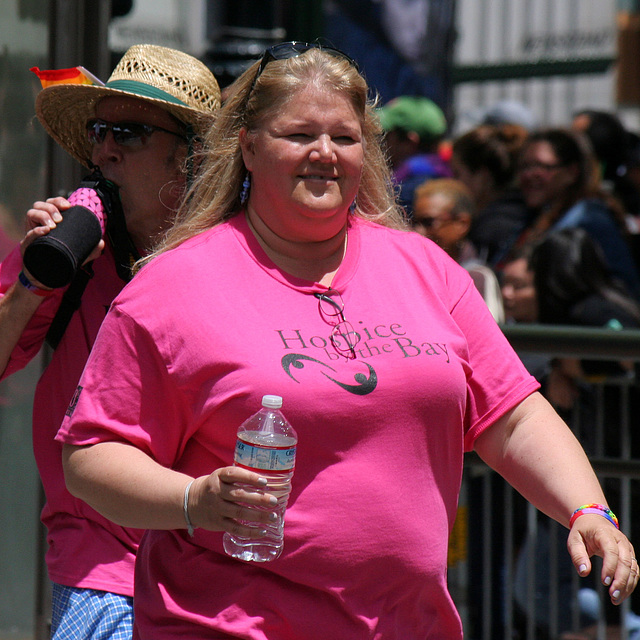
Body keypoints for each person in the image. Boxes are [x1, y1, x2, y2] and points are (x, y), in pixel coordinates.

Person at [56, 42, 636, 639]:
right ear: (249, 147)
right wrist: (194, 499)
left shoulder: (424, 268)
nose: (324, 154)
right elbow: (92, 456)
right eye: (300, 134)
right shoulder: (174, 285)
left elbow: (510, 416)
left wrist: (588, 509)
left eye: (345, 137)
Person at [0, 44, 221, 639]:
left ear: (190, 155)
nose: (104, 149)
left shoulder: (239, 257)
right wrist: (34, 280)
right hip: (102, 570)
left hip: (216, 565)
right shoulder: (70, 245)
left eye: (129, 131)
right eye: (98, 130)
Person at [515, 127, 640, 300]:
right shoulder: (536, 217)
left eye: (540, 166)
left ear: (572, 172)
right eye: (524, 166)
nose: (528, 175)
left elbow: (621, 286)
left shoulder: (590, 219)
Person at [412, 177, 504, 322]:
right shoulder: (412, 272)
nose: (418, 231)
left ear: (462, 223)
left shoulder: (477, 277)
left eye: (428, 222)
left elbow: (486, 340)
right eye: (414, 222)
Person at [450, 123, 530, 267]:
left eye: (457, 174)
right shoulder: (517, 213)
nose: (452, 182)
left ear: (483, 176)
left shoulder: (490, 230)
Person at [378, 95, 452, 217]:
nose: (381, 142)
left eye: (385, 135)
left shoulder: (407, 191)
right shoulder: (445, 171)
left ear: (410, 142)